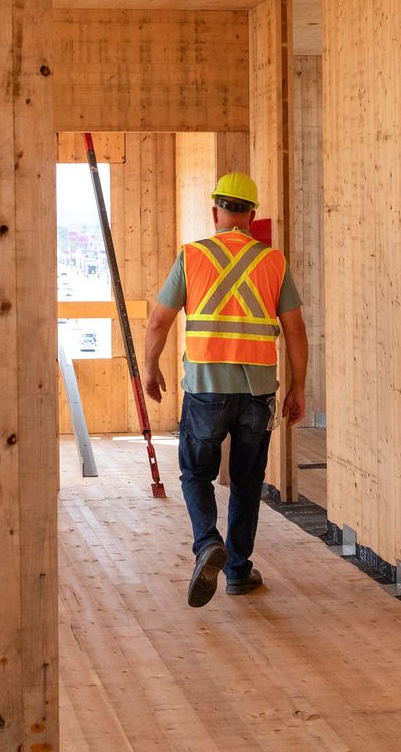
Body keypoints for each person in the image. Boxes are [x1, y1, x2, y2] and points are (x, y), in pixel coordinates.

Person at [142, 173, 308, 608]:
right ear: (251, 215)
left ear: (216, 211)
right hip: (257, 391)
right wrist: (298, 388)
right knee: (248, 482)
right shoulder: (273, 261)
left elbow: (159, 321)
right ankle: (237, 571)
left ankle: (206, 544)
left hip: (205, 388)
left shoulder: (192, 256)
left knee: (196, 473)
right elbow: (295, 331)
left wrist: (149, 368)